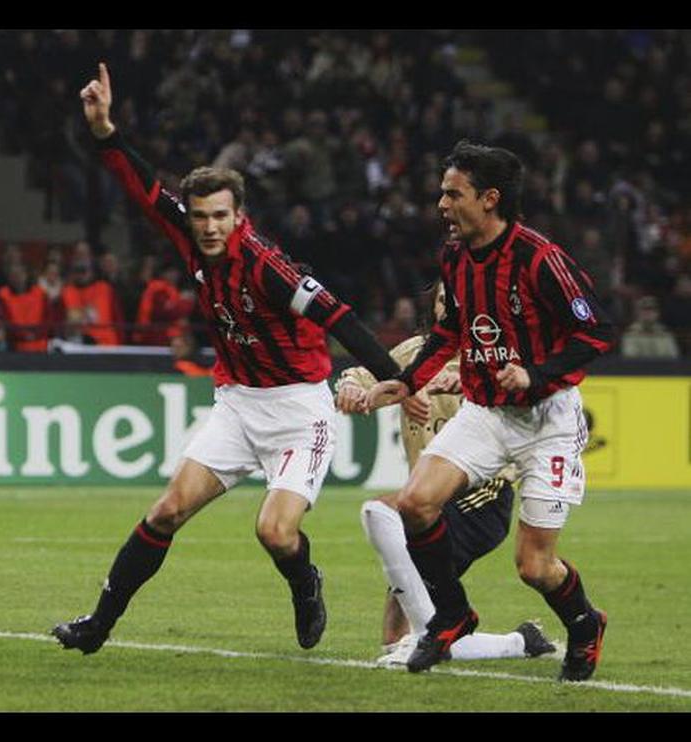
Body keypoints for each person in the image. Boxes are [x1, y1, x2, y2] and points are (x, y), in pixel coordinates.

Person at [52, 63, 400, 654]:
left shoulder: (266, 266)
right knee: (166, 511)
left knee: (274, 532)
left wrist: (399, 376)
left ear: (239, 215)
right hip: (237, 406)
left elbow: (337, 317)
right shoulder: (190, 237)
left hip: (299, 411)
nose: (209, 227)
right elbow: (142, 190)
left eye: (220, 216)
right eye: (200, 216)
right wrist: (106, 132)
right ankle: (97, 626)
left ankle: (304, 580)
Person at [363, 141, 615, 681]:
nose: (442, 204)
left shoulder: (539, 259)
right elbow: (448, 333)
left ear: (490, 199)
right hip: (486, 411)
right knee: (414, 503)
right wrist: (403, 382)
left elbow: (595, 332)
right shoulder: (455, 258)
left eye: (453, 194)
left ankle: (584, 624)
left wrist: (536, 374)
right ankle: (453, 615)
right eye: (442, 193)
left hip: (546, 420)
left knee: (534, 566)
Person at [336, 281, 556, 667]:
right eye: (443, 301)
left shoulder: (499, 359)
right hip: (425, 502)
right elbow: (359, 374)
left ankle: (433, 634)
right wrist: (351, 388)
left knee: (379, 511)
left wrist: (461, 384)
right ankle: (521, 642)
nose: (449, 308)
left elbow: (527, 406)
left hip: (483, 495)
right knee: (396, 638)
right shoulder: (413, 353)